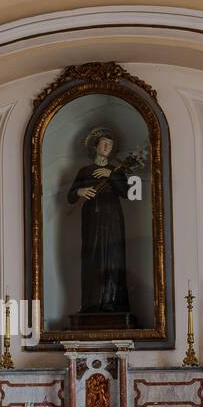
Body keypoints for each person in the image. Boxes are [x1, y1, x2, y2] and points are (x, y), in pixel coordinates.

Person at [66, 127, 132, 314]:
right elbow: (70, 195)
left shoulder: (116, 170)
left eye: (110, 145)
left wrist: (111, 176)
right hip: (92, 221)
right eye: (103, 143)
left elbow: (127, 193)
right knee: (92, 257)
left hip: (112, 220)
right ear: (95, 146)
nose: (106, 146)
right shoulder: (85, 171)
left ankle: (112, 302)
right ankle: (91, 303)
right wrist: (79, 191)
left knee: (113, 257)